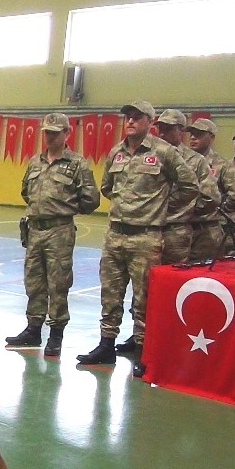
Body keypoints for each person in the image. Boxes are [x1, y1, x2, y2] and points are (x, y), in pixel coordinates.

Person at [77, 100, 198, 376]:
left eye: (136, 117)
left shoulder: (164, 152)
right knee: (110, 294)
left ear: (150, 122)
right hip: (115, 234)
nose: (130, 121)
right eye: (128, 117)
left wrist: (162, 208)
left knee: (144, 299)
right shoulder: (116, 152)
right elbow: (107, 187)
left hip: (146, 237)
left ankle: (143, 351)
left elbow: (190, 186)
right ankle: (106, 344)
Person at [5, 113, 100, 356]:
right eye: (47, 132)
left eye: (55, 133)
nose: (50, 137)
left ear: (67, 133)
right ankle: (33, 329)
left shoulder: (77, 164)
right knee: (34, 282)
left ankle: (56, 334)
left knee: (58, 284)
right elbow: (26, 191)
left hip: (60, 231)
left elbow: (91, 199)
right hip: (35, 230)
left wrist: (63, 209)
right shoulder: (35, 162)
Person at [153, 109, 219, 264]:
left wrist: (185, 212)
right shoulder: (147, 157)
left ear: (180, 131)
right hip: (146, 231)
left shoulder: (195, 161)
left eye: (168, 129)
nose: (162, 133)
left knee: (172, 275)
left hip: (175, 233)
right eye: (160, 128)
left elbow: (211, 198)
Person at [186, 118, 235, 259]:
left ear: (211, 137)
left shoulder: (222, 165)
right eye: (192, 134)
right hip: (181, 229)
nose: (193, 137)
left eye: (199, 134)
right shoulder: (181, 161)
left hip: (206, 232)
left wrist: (217, 210)